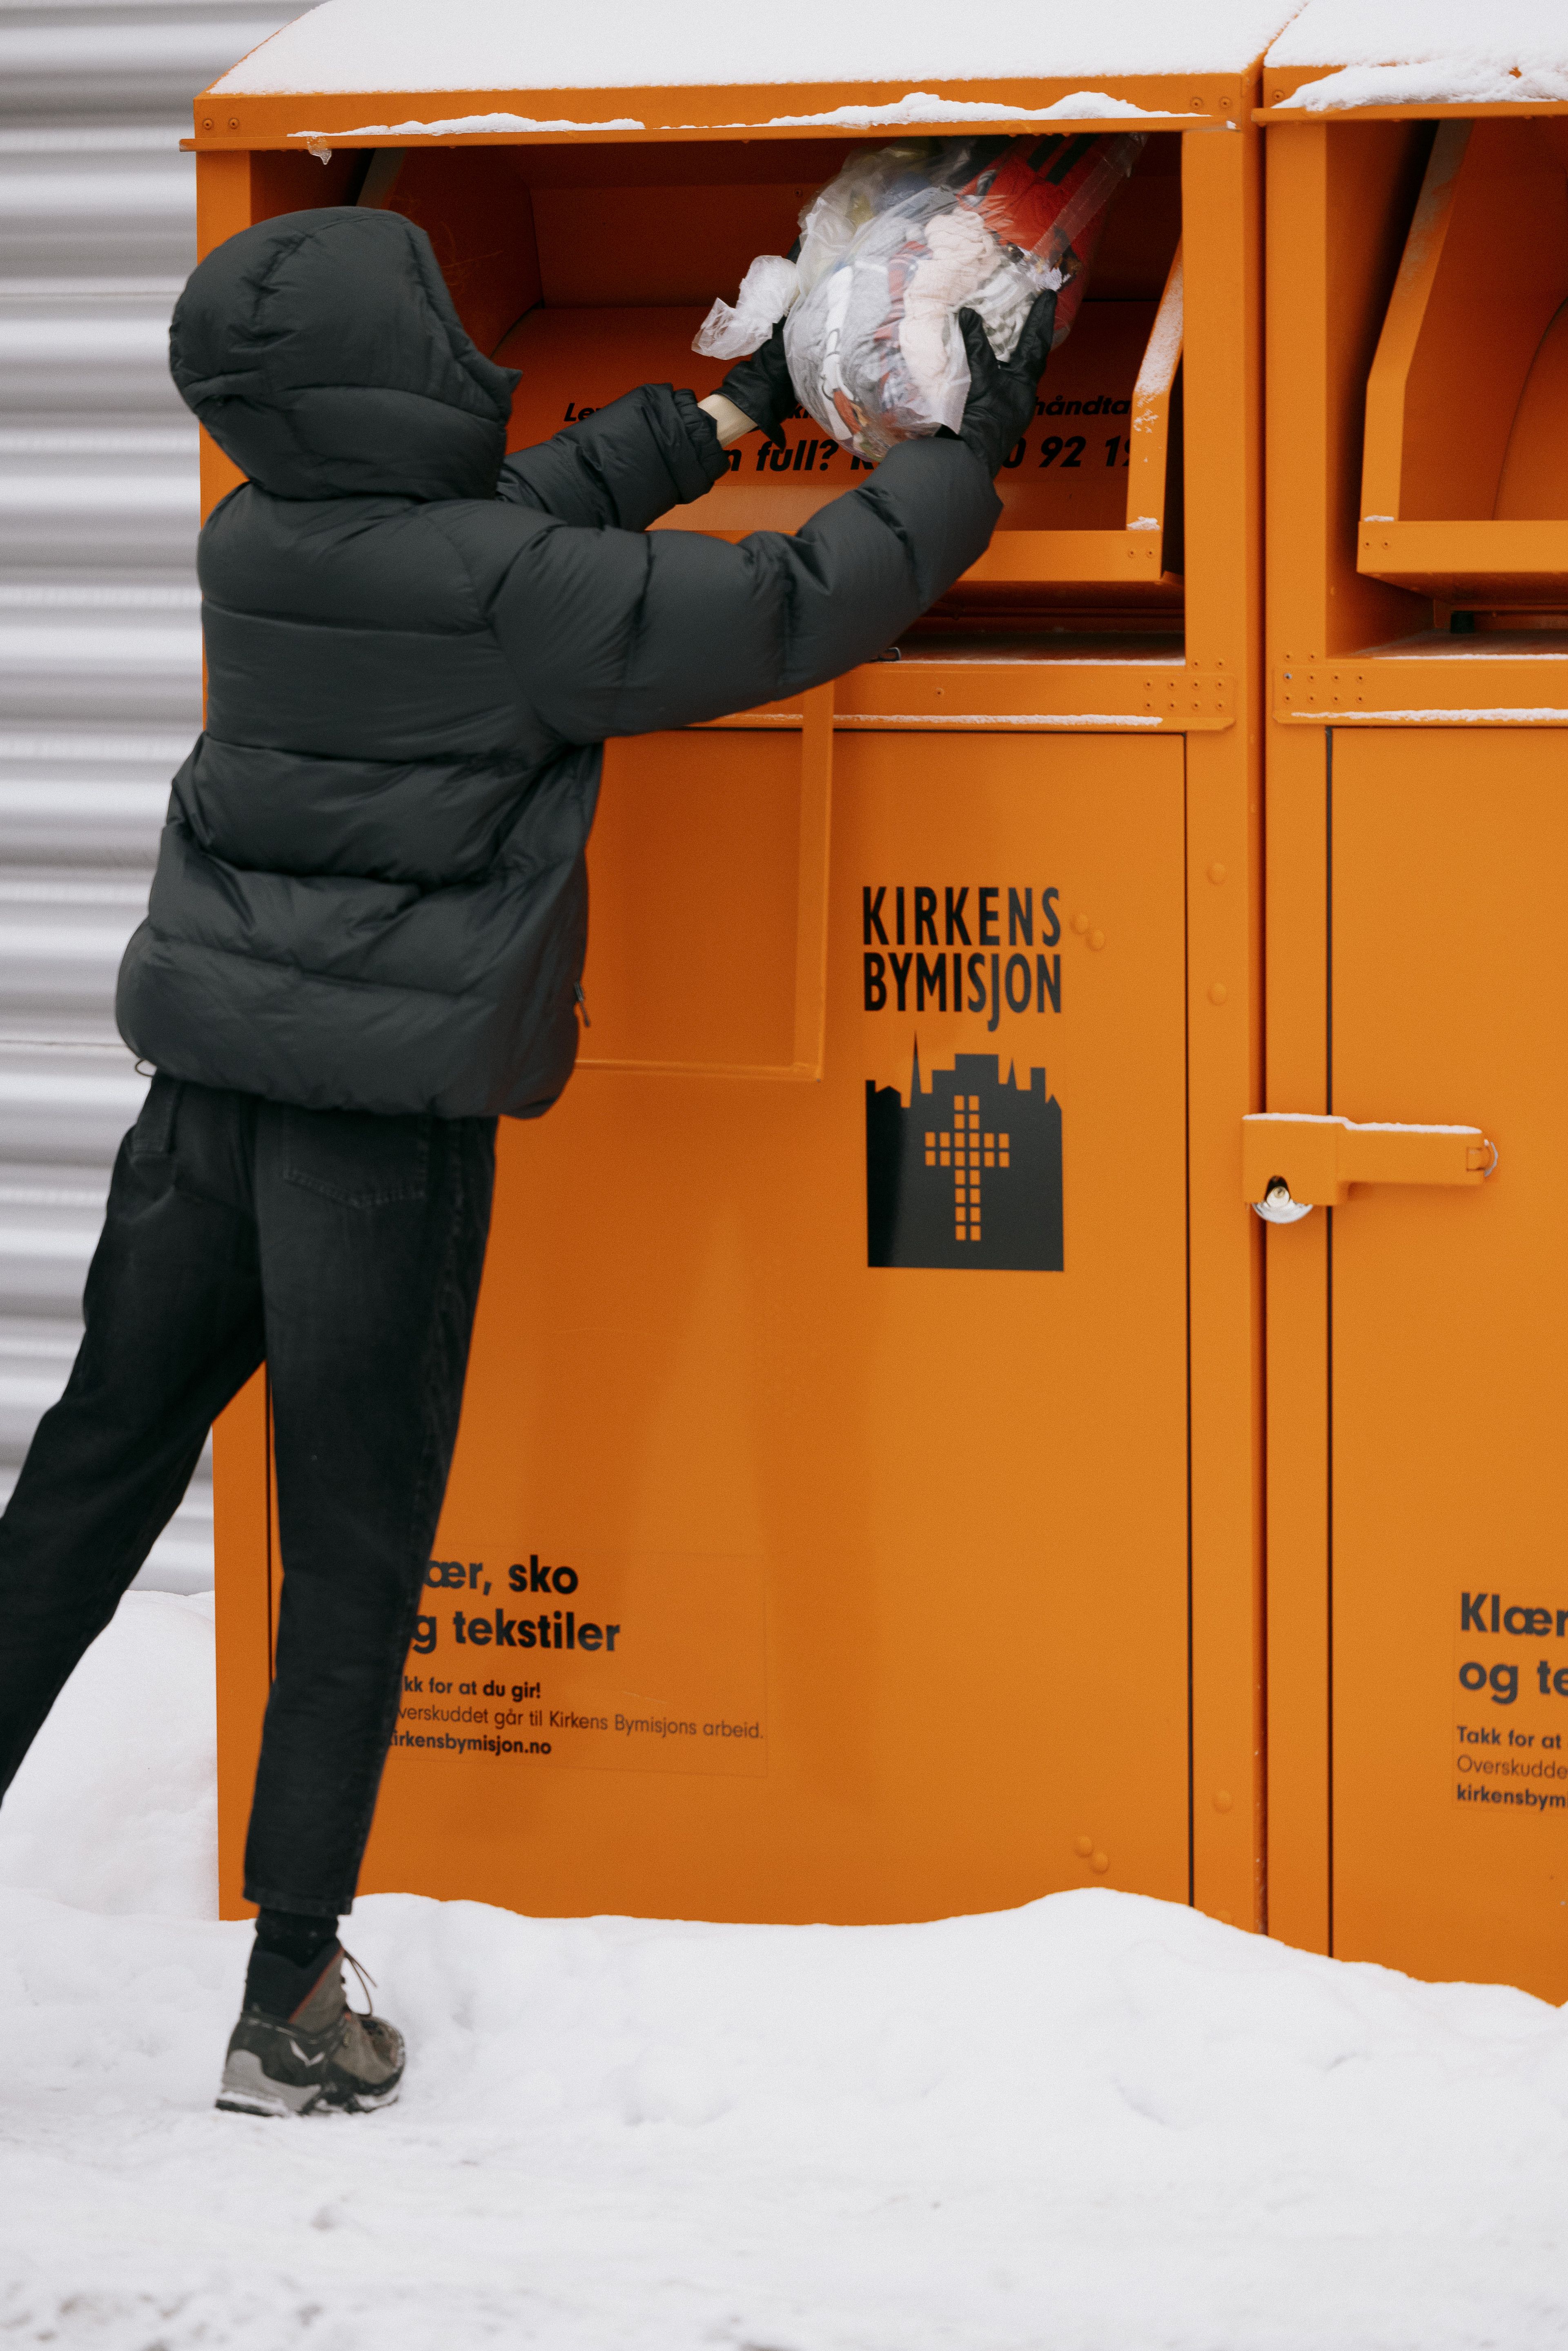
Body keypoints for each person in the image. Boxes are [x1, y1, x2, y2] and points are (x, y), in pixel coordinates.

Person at [0, 206, 1055, 2116]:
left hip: (203, 1118)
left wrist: (724, 414)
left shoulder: (261, 537)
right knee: (354, 1558)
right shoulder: (508, 595)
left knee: (80, 1491)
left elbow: (499, 517)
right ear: (406, 362)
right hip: (374, 1156)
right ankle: (292, 2003)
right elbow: (790, 608)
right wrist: (970, 452)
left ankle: (283, 1977)